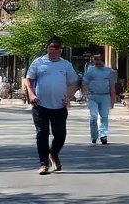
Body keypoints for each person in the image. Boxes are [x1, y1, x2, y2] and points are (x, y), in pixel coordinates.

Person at [24, 37, 79, 176]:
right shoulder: (39, 62)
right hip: (40, 105)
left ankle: (53, 154)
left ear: (61, 50)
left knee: (60, 134)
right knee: (42, 134)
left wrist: (69, 96)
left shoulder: (65, 65)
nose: (52, 49)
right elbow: (28, 79)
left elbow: (75, 82)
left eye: (55, 47)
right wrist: (31, 94)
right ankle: (44, 164)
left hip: (59, 106)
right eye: (50, 46)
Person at [81, 53, 117, 145]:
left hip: (105, 96)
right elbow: (85, 83)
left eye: (99, 60)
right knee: (93, 117)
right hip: (93, 96)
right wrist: (86, 94)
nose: (97, 62)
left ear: (102, 61)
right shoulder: (90, 71)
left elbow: (112, 86)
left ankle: (103, 136)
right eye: (95, 60)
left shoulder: (109, 71)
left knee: (104, 117)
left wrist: (113, 100)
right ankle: (94, 136)